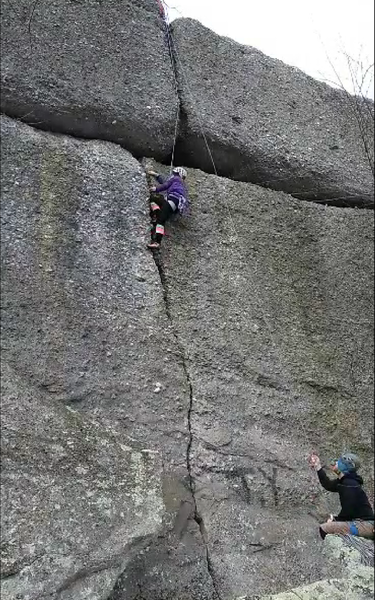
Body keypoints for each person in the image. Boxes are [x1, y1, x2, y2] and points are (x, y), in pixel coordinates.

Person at [309, 452, 374, 540]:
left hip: (365, 525)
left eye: (338, 462)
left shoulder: (349, 484)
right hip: (362, 523)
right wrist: (318, 467)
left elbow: (348, 510)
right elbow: (328, 485)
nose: (335, 463)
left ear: (343, 467)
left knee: (325, 528)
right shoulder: (345, 482)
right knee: (330, 524)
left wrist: (336, 520)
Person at [147, 167, 189, 250]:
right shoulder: (179, 182)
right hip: (174, 203)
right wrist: (156, 175)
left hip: (173, 200)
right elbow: (166, 182)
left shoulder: (177, 179)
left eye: (174, 173)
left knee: (160, 219)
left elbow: (166, 185)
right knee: (154, 201)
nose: (173, 175)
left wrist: (156, 189)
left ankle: (157, 242)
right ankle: (158, 213)